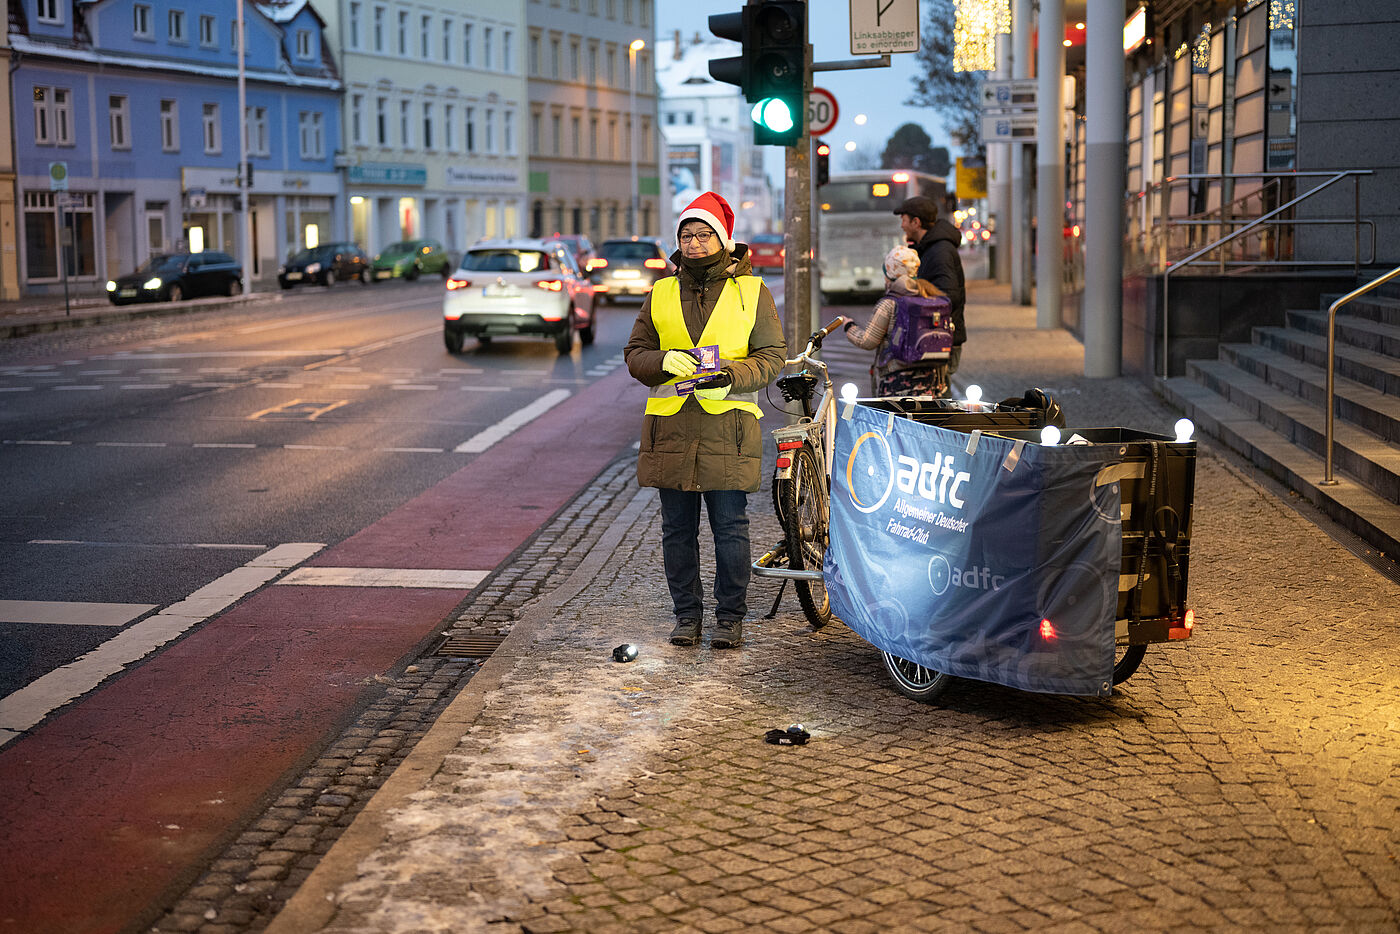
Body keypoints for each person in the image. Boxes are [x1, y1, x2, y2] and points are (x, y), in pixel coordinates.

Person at [624, 192, 787, 649]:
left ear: (723, 239)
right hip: (671, 429)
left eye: (704, 234)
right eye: (686, 235)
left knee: (730, 528)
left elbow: (772, 356)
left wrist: (732, 376)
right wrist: (663, 361)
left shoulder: (752, 292)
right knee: (677, 530)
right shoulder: (660, 292)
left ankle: (730, 617)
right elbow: (635, 355)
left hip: (728, 426)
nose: (694, 243)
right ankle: (686, 617)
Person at [843, 245, 950, 397]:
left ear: (890, 273)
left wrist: (849, 327)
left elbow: (868, 341)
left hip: (896, 382)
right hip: (930, 382)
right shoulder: (930, 296)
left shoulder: (889, 303)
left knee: (894, 420)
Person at [894, 195, 966, 378]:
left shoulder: (939, 252)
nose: (902, 225)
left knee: (942, 397)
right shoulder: (929, 248)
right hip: (935, 338)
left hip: (941, 341)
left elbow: (950, 297)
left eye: (904, 220)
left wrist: (915, 303)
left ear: (916, 222)